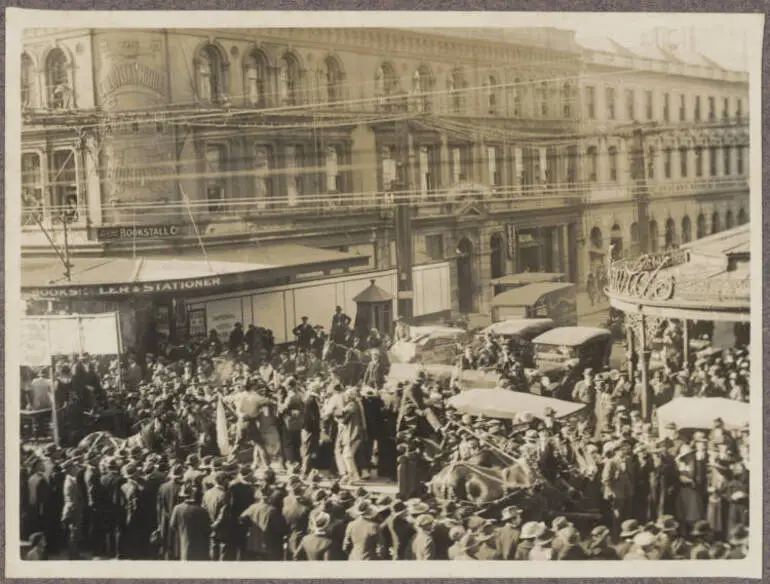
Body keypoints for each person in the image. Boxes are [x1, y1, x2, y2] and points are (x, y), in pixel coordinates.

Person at [168, 483, 211, 561]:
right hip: (200, 547)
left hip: (183, 544)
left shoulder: (177, 508)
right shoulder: (202, 511)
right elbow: (207, 529)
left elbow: (172, 525)